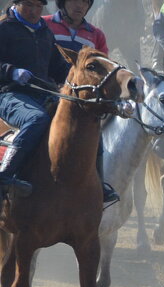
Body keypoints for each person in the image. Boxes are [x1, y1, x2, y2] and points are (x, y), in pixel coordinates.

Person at [43, 0, 117, 204]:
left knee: (96, 137)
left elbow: (103, 72)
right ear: (63, 3)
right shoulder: (44, 24)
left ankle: (100, 184)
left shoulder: (96, 35)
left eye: (85, 2)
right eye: (74, 1)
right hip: (46, 90)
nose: (80, 6)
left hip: (81, 99)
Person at [0, 0, 71, 199]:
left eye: (38, 7)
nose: (34, 11)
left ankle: (99, 183)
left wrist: (78, 76)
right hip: (8, 94)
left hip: (42, 94)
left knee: (82, 117)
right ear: (16, 3)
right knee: (37, 119)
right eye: (29, 5)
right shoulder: (4, 27)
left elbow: (58, 68)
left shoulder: (44, 31)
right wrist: (11, 71)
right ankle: (4, 177)